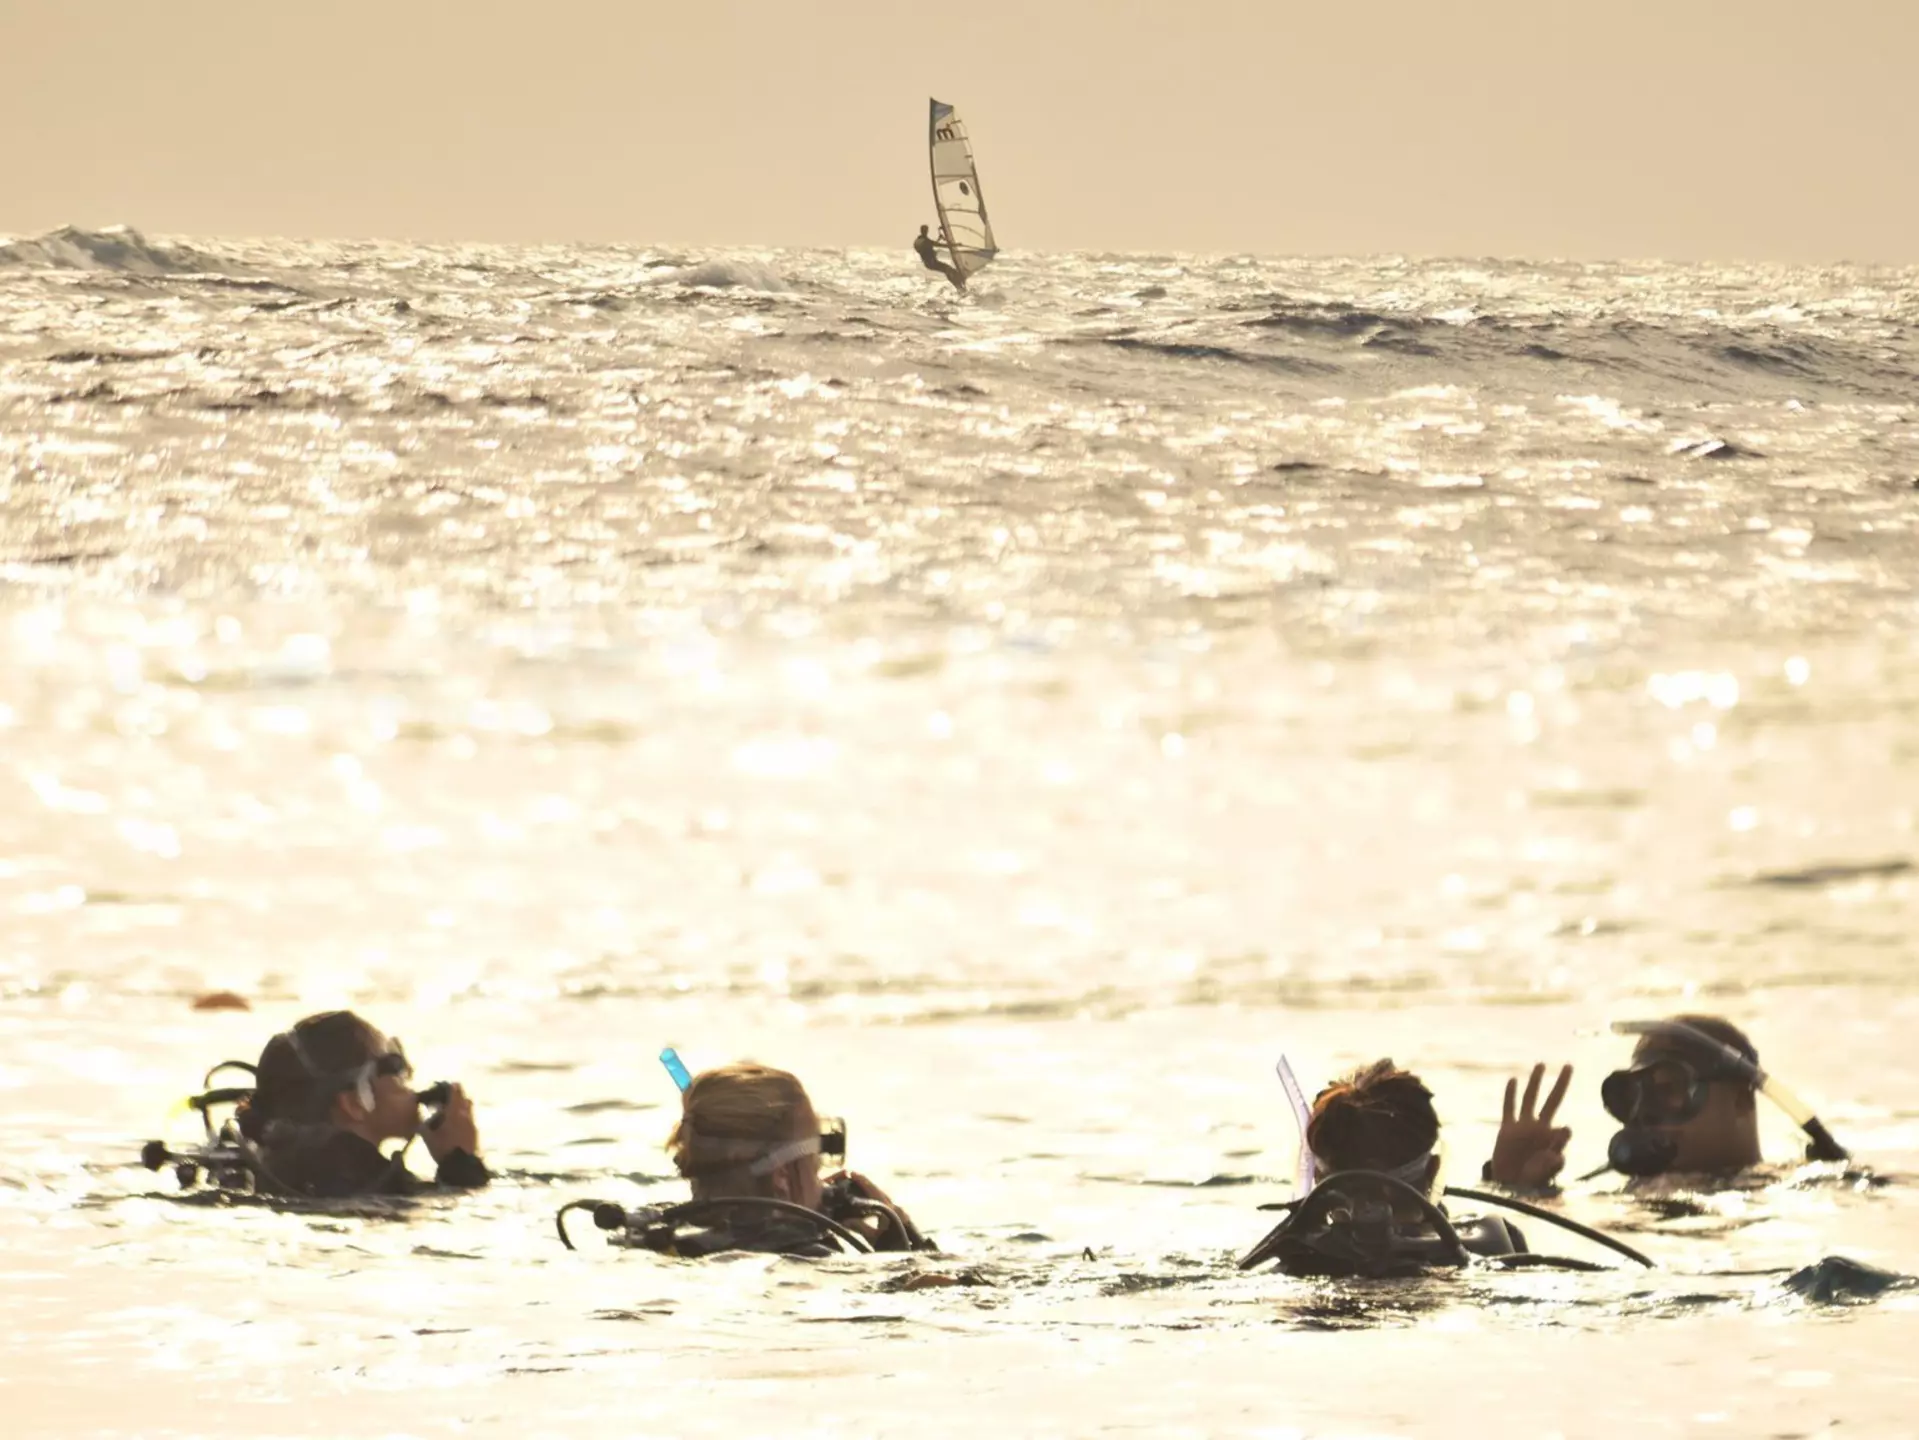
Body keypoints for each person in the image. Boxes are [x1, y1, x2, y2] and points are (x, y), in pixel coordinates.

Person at [1241, 1059, 1525, 1275]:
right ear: (1433, 1170)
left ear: (1318, 1178)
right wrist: (1518, 1187)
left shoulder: (1297, 1258)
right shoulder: (1493, 1240)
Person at [658, 1060, 925, 1256]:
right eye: (814, 1165)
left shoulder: (661, 1236)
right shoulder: (808, 1257)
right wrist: (901, 1244)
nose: (824, 1183)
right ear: (782, 1177)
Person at [1486, 1014, 1781, 1189]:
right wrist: (1515, 1186)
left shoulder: (1796, 1189)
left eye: (1671, 1089)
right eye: (1632, 1095)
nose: (1644, 1115)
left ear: (1741, 1102)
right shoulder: (1612, 1196)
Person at [234, 1010, 487, 1198]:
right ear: (355, 1102)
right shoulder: (364, 1182)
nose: (408, 1079)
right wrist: (462, 1165)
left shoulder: (284, 1165)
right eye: (395, 1069)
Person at [913, 224, 966, 291]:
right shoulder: (925, 241)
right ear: (924, 231)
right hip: (932, 263)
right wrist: (956, 245)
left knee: (948, 270)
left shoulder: (918, 241)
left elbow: (930, 245)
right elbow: (940, 245)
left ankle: (959, 286)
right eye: (926, 230)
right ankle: (959, 286)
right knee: (949, 270)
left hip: (928, 263)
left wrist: (938, 239)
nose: (926, 232)